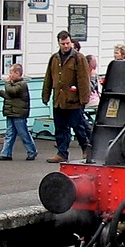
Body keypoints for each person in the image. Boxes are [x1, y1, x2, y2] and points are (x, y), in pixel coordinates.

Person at [42, 30, 91, 163]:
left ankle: (86, 149)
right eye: (63, 43)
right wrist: (45, 95)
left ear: (71, 42)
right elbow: (48, 78)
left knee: (78, 126)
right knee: (60, 128)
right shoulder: (54, 58)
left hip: (74, 101)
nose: (66, 46)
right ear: (59, 43)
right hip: (59, 100)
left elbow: (84, 80)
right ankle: (62, 153)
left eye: (68, 43)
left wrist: (84, 99)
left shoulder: (78, 58)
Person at [0, 63, 39, 161]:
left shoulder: (21, 84)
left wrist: (6, 83)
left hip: (19, 113)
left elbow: (12, 92)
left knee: (23, 133)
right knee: (9, 133)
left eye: (11, 73)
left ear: (18, 73)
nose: (9, 75)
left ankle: (32, 151)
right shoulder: (13, 84)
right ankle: (6, 153)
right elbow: (10, 96)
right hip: (11, 112)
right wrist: (0, 93)